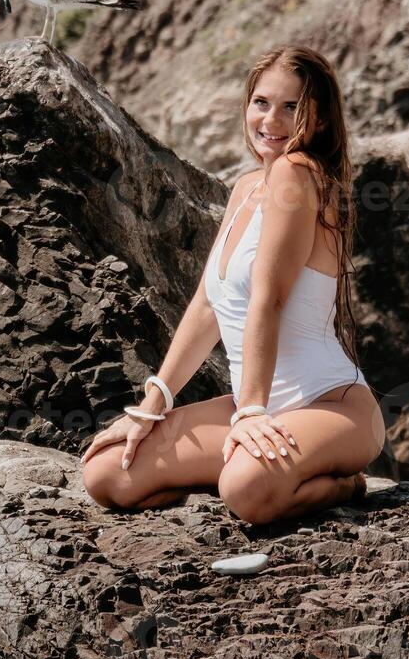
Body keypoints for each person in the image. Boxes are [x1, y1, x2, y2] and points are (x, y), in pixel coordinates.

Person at [81, 46, 387, 525]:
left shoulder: (297, 173)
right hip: (254, 406)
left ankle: (343, 482)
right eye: (261, 102)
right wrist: (153, 403)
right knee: (107, 473)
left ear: (320, 121)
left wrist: (251, 412)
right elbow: (207, 305)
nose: (272, 120)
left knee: (245, 491)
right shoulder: (246, 187)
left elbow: (270, 299)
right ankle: (244, 467)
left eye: (292, 107)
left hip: (331, 406)